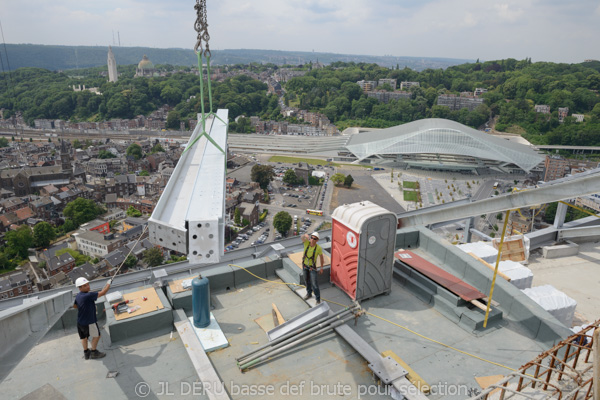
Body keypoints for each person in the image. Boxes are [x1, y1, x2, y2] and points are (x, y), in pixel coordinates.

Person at [74, 277, 111, 360]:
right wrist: (109, 283)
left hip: (80, 322)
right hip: (89, 322)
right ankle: (94, 353)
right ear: (80, 288)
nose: (88, 286)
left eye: (87, 284)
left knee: (83, 337)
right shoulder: (89, 295)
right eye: (85, 285)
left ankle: (86, 353)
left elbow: (75, 306)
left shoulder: (78, 296)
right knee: (97, 335)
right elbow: (103, 292)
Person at [300, 231, 325, 304]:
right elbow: (302, 238)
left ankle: (318, 299)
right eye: (312, 238)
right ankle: (309, 293)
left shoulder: (318, 248)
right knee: (306, 281)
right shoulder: (306, 243)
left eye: (314, 239)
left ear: (317, 240)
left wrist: (321, 267)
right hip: (305, 266)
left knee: (314, 284)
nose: (312, 240)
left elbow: (321, 258)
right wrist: (305, 235)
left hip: (312, 268)